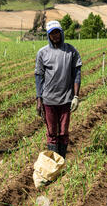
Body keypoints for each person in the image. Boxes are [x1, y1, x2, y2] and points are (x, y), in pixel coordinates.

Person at [35, 20, 82, 159]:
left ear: (61, 33)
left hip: (66, 99)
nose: (55, 36)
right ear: (48, 36)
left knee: (63, 132)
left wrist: (76, 96)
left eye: (57, 32)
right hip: (48, 100)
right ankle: (54, 161)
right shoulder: (42, 53)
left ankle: (62, 160)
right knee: (51, 132)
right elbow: (39, 76)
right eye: (52, 33)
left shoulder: (71, 51)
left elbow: (77, 74)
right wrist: (39, 99)